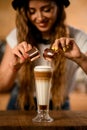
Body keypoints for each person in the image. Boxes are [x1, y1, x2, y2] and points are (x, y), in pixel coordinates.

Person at [0, 0, 87, 110]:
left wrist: (81, 58)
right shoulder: (16, 36)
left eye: (46, 10)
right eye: (32, 11)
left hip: (58, 104)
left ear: (59, 8)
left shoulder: (77, 37)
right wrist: (13, 67)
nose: (40, 17)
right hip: (21, 103)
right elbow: (1, 87)